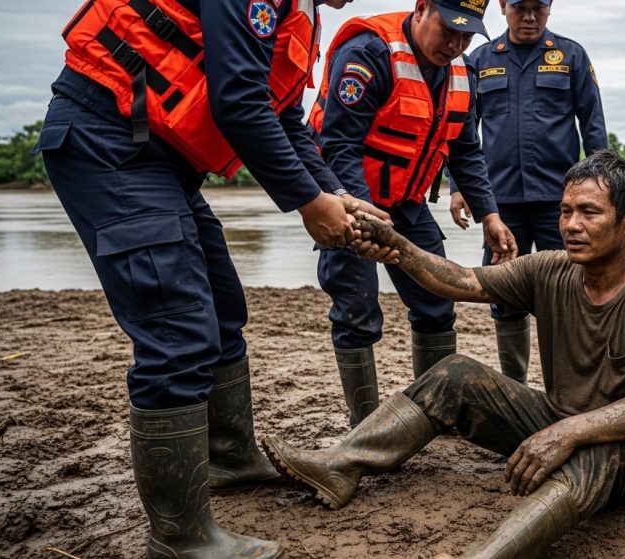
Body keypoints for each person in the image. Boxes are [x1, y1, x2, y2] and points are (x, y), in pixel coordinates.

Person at [30, 0, 381, 556]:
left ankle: (231, 459)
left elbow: (284, 118)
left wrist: (334, 193)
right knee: (177, 331)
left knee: (220, 308)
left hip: (161, 156)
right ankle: (180, 538)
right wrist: (308, 203)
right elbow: (238, 101)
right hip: (110, 138)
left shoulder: (302, 12)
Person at [261, 151, 625, 558]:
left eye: (589, 212)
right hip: (556, 418)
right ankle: (341, 466)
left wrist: (570, 433)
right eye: (566, 211)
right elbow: (462, 281)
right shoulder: (550, 268)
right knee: (456, 373)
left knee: (591, 453)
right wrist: (398, 247)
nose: (572, 225)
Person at [307, 0, 517, 427]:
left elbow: (465, 151)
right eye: (449, 31)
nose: (456, 45)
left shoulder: (462, 72)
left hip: (407, 202)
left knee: (437, 300)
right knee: (356, 312)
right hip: (349, 200)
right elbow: (339, 146)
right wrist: (363, 218)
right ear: (421, 9)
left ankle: (434, 415)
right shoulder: (369, 53)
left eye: (466, 36)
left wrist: (490, 215)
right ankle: (364, 424)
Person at [447, 0, 607, 384]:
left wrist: (602, 189)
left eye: (539, 8)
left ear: (550, 8)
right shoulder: (480, 60)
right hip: (499, 206)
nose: (530, 17)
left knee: (568, 293)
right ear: (504, 6)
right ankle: (515, 387)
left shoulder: (571, 56)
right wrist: (458, 188)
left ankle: (566, 388)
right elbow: (462, 133)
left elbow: (593, 125)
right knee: (505, 296)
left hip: (562, 205)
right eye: (521, 8)